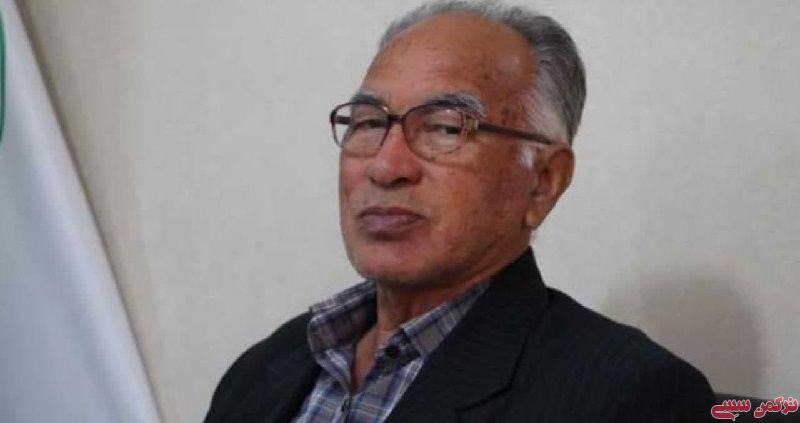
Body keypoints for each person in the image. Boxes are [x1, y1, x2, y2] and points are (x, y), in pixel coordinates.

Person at [204, 1, 715, 422]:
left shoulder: (627, 395)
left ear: (542, 182)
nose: (386, 166)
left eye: (445, 128)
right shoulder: (267, 367)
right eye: (368, 123)